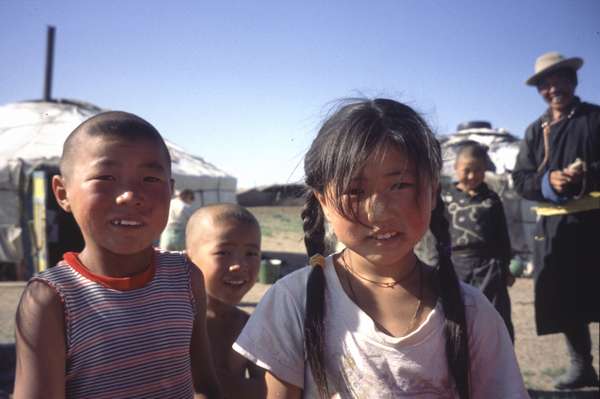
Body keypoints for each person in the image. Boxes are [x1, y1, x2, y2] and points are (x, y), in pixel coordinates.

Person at [233, 98, 528, 398]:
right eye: (354, 191)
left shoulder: (473, 313)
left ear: (434, 191)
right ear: (322, 200)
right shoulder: (293, 302)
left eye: (400, 185)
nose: (379, 212)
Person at [13, 111, 221, 399]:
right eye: (105, 177)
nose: (130, 195)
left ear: (170, 190)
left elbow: (204, 386)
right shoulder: (52, 300)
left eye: (150, 178)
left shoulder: (185, 276)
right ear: (63, 193)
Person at [512, 51, 600, 390]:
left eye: (558, 80)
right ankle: (582, 367)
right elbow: (521, 179)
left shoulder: (594, 119)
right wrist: (549, 182)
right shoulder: (536, 131)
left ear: (572, 81)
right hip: (555, 230)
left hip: (595, 223)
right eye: (544, 85)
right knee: (566, 301)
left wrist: (581, 177)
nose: (552, 89)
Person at [185, 204, 266, 399]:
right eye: (223, 252)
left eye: (251, 253)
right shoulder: (177, 323)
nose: (239, 265)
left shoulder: (249, 327)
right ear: (188, 259)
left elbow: (267, 389)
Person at [443, 142, 515, 342]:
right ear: (456, 168)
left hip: (489, 265)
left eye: (478, 170)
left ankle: (499, 364)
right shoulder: (444, 198)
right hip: (455, 265)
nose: (472, 176)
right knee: (457, 317)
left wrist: (506, 266)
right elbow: (436, 235)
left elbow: (502, 234)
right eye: (467, 170)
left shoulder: (492, 199)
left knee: (494, 314)